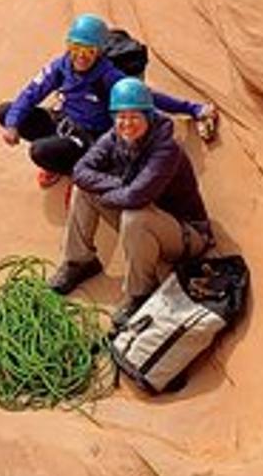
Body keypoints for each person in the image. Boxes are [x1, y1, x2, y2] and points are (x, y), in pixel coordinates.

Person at [50, 79, 216, 327]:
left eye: (134, 116)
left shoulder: (166, 149)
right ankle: (80, 261)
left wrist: (114, 192)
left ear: (148, 115)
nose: (127, 124)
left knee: (135, 215)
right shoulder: (114, 137)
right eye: (121, 116)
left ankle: (141, 292)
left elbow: (135, 197)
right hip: (146, 219)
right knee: (83, 190)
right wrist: (118, 185)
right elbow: (81, 171)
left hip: (186, 235)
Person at [0, 14, 209, 185]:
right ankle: (57, 156)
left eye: (88, 51)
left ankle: (78, 175)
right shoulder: (60, 67)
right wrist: (12, 124)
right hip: (62, 121)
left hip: (88, 137)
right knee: (6, 112)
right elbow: (31, 93)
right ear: (68, 45)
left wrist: (193, 109)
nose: (80, 56)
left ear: (98, 52)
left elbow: (147, 97)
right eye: (75, 48)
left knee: (40, 151)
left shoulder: (108, 77)